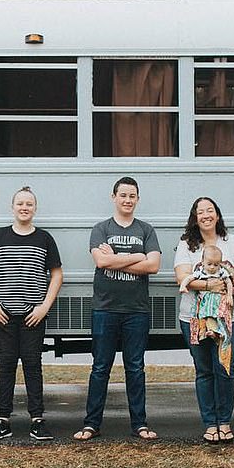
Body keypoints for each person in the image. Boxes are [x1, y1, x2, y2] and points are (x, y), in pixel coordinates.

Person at [173, 196, 234, 444]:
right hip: (195, 318)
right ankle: (209, 423)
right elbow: (181, 276)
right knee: (204, 370)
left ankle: (224, 422)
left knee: (225, 368)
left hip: (230, 319)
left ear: (217, 215)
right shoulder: (187, 245)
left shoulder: (232, 242)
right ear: (194, 218)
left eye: (210, 210)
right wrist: (209, 284)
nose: (205, 215)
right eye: (200, 211)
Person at [74, 176, 160, 441]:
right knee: (100, 367)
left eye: (132, 196)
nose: (127, 200)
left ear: (137, 199)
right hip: (105, 309)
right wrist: (136, 256)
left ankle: (140, 425)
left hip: (136, 310)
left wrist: (116, 258)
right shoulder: (101, 229)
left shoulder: (146, 230)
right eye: (123, 195)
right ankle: (91, 425)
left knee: (135, 368)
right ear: (114, 197)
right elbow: (101, 262)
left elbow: (153, 266)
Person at [0, 186, 63, 441]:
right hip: (3, 315)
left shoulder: (44, 238)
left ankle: (37, 420)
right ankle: (3, 420)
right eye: (20, 203)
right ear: (12, 207)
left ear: (35, 209)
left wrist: (44, 307)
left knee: (32, 366)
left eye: (29, 204)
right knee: (5, 366)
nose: (24, 207)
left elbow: (57, 274)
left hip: (32, 316)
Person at [179, 244, 234, 366]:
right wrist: (183, 286)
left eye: (216, 264)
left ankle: (214, 332)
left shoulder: (221, 272)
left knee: (215, 317)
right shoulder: (200, 272)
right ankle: (206, 331)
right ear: (202, 262)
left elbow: (229, 282)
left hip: (217, 302)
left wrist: (230, 295)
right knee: (203, 316)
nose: (212, 267)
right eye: (209, 264)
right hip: (204, 302)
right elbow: (188, 278)